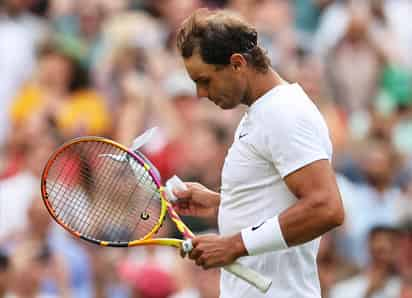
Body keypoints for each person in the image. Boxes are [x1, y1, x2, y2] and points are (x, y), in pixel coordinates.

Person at [172, 8, 344, 297]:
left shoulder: (283, 112)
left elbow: (326, 208)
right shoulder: (263, 112)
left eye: (204, 80)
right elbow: (278, 198)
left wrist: (233, 244)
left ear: (237, 64)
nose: (200, 94)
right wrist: (222, 203)